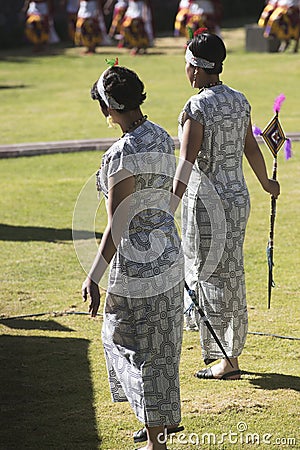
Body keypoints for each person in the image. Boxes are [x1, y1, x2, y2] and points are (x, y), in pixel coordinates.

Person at [82, 63, 185, 449]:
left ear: (110, 108)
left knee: (126, 341)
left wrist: (93, 275)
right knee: (162, 347)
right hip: (168, 249)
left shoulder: (120, 154)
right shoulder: (161, 136)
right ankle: (158, 423)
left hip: (137, 262)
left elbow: (118, 224)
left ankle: (155, 433)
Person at [171, 30, 280, 380]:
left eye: (188, 65)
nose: (186, 72)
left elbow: (186, 163)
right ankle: (229, 350)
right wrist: (266, 183)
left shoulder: (198, 107)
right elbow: (251, 147)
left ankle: (225, 357)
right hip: (238, 198)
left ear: (197, 69)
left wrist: (166, 209)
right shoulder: (239, 100)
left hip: (208, 203)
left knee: (210, 274)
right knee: (231, 272)